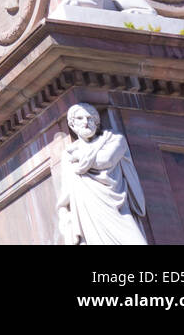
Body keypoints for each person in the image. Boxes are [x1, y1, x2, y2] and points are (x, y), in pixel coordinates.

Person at [56, 103, 146, 245]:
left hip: (119, 209)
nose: (86, 122)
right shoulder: (68, 154)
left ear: (97, 123)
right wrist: (65, 218)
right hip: (91, 212)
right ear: (72, 125)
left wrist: (79, 156)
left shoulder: (114, 140)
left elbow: (106, 160)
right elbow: (66, 194)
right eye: (80, 118)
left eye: (90, 118)